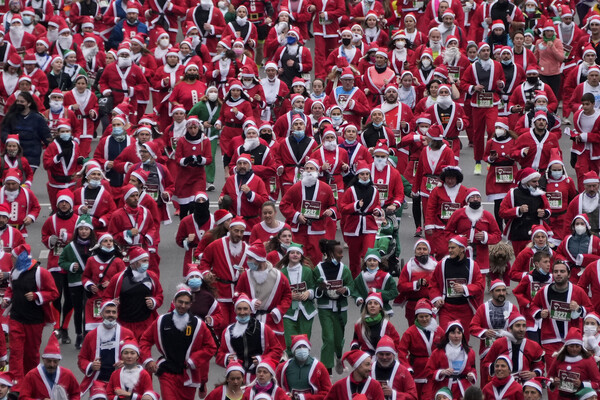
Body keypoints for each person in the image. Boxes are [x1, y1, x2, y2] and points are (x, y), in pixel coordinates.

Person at [140, 285, 217, 400]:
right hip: (167, 371)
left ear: (191, 305)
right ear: (174, 302)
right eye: (180, 302)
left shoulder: (198, 324)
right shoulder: (162, 321)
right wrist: (148, 360)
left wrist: (193, 360)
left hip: (189, 373)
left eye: (186, 303)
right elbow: (145, 340)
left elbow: (211, 347)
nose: (183, 306)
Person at [2, 243, 58, 387]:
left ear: (20, 258)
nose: (11, 261)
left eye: (13, 258)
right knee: (15, 352)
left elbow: (53, 293)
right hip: (16, 318)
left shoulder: (41, 273)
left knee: (31, 354)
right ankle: (16, 385)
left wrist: (36, 295)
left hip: (34, 320)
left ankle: (31, 382)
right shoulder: (14, 272)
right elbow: (10, 288)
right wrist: (7, 299)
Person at [531, 260, 592, 369]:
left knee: (571, 371)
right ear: (552, 274)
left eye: (562, 271)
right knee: (553, 371)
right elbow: (533, 305)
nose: (558, 274)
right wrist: (540, 313)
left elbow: (590, 309)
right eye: (556, 271)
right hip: (550, 338)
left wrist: (579, 309)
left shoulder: (577, 291)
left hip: (572, 338)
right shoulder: (544, 291)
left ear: (568, 274)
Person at [279, 158, 337, 265]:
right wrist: (296, 216)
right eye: (307, 168)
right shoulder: (296, 187)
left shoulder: (326, 188)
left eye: (312, 168)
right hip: (300, 229)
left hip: (317, 229)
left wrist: (331, 211)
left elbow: (333, 205)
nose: (309, 171)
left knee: (316, 259)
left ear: (317, 171)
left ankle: (314, 280)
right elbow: (283, 204)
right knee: (299, 257)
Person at [215, 293, 283, 383]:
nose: (242, 312)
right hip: (237, 379)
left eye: (245, 309)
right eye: (239, 309)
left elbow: (277, 350)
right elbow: (219, 355)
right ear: (235, 310)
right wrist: (226, 358)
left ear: (251, 310)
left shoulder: (263, 328)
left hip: (259, 377)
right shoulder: (227, 332)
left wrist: (263, 359)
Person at [235, 240, 292, 348]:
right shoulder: (245, 276)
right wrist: (248, 302)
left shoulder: (278, 277)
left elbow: (287, 295)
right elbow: (237, 295)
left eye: (250, 258)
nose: (248, 261)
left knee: (274, 352)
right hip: (250, 319)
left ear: (259, 259)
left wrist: (278, 311)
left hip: (271, 320)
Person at [460, 42, 506, 175]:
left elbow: (502, 81)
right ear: (479, 53)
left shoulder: (497, 65)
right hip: (478, 102)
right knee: (478, 133)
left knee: (493, 129)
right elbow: (463, 83)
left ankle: (490, 158)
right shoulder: (472, 67)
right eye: (483, 51)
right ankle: (478, 162)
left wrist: (501, 84)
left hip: (492, 101)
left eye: (487, 50)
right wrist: (473, 88)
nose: (486, 52)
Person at [41, 189, 78, 344]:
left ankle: (65, 328)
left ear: (71, 204)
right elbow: (44, 235)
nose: (64, 205)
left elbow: (85, 237)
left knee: (70, 297)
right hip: (55, 263)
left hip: (72, 264)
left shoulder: (77, 220)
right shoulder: (52, 220)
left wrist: (70, 238)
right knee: (56, 295)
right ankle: (56, 328)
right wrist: (50, 240)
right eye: (61, 202)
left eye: (66, 202)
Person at [429, 236, 485, 338]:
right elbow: (433, 284)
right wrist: (437, 298)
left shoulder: (472, 265)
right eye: (449, 247)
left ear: (462, 249)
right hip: (447, 309)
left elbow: (480, 285)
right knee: (447, 338)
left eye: (453, 248)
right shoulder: (442, 264)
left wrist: (465, 288)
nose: (449, 250)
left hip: (465, 309)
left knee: (463, 339)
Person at [104, 246, 163, 340]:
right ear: (134, 262)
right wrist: (111, 303)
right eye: (143, 261)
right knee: (128, 353)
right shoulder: (119, 278)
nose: (146, 264)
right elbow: (106, 298)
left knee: (143, 352)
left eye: (147, 260)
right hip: (125, 324)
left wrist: (154, 302)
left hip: (145, 323)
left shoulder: (152, 277)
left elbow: (159, 295)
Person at [314, 239, 354, 375]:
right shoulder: (318, 269)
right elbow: (314, 288)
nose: (342, 255)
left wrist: (346, 290)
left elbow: (351, 285)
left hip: (340, 308)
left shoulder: (344, 269)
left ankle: (338, 357)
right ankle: (327, 371)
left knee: (338, 339)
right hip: (325, 308)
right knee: (328, 338)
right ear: (330, 253)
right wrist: (320, 289)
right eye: (339, 253)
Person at [78, 300, 134, 395]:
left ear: (117, 314)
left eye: (114, 312)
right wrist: (91, 365)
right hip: (98, 380)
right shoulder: (91, 335)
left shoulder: (127, 333)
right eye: (107, 312)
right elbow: (82, 359)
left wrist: (126, 362)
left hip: (121, 381)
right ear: (101, 314)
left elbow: (137, 356)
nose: (111, 315)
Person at [199, 217, 248, 327]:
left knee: (237, 323)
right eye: (236, 231)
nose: (239, 234)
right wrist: (206, 273)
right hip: (220, 291)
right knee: (222, 322)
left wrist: (245, 273)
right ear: (230, 230)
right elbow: (204, 261)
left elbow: (253, 269)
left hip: (239, 293)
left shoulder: (247, 249)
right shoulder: (216, 245)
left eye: (242, 231)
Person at [58, 214, 95, 349]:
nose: (83, 231)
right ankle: (79, 334)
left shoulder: (95, 246)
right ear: (77, 231)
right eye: (81, 229)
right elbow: (61, 261)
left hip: (90, 283)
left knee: (88, 309)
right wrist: (71, 266)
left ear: (91, 230)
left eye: (86, 229)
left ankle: (87, 335)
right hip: (75, 282)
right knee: (78, 309)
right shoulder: (70, 247)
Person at [445, 188, 502, 273]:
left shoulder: (487, 215)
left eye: (478, 197)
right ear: (467, 200)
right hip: (461, 253)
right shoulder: (458, 214)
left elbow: (497, 235)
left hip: (481, 256)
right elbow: (447, 232)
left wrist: (485, 237)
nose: (475, 199)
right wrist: (459, 239)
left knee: (479, 282)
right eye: (472, 197)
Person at [469, 280, 516, 383]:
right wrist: (484, 332)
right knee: (487, 383)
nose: (501, 293)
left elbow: (519, 327)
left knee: (506, 382)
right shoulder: (483, 308)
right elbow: (473, 327)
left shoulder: (512, 308)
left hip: (507, 351)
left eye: (503, 290)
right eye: (498, 290)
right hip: (487, 352)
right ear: (491, 292)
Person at [397, 298, 444, 398]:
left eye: (426, 316)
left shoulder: (439, 330)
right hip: (416, 369)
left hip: (433, 368)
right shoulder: (410, 332)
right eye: (421, 317)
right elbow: (401, 351)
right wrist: (407, 367)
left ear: (431, 316)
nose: (424, 319)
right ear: (416, 317)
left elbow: (446, 348)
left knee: (429, 395)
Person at [500, 168, 552, 255]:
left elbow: (548, 209)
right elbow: (502, 212)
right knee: (520, 259)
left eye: (537, 181)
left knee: (537, 259)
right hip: (518, 232)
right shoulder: (513, 193)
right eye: (534, 182)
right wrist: (518, 210)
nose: (537, 184)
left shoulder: (540, 194)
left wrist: (544, 213)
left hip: (536, 233)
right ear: (526, 182)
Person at [482, 312, 545, 384]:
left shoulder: (533, 346)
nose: (521, 329)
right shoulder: (499, 344)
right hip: (502, 384)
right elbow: (486, 364)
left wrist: (534, 373)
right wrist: (499, 368)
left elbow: (540, 366)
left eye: (524, 326)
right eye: (518, 326)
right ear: (509, 329)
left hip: (525, 387)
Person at [81, 234, 126, 332]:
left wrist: (111, 283)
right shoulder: (91, 260)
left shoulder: (118, 261)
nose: (109, 243)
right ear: (100, 244)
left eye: (111, 241)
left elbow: (124, 278)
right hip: (95, 300)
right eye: (105, 241)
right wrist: (89, 285)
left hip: (112, 299)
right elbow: (85, 277)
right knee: (93, 330)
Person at [219, 153, 269, 240]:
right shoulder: (231, 179)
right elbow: (224, 192)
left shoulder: (258, 180)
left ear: (250, 165)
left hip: (251, 224)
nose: (242, 166)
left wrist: (250, 194)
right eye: (239, 163)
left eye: (245, 163)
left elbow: (265, 202)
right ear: (236, 166)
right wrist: (222, 197)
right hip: (234, 223)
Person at [425, 321, 478, 400]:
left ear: (462, 335)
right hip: (443, 387)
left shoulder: (470, 352)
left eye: (459, 333)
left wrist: (471, 375)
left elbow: (473, 369)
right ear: (447, 334)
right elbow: (428, 371)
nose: (456, 336)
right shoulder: (438, 352)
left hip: (462, 388)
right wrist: (441, 372)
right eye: (453, 333)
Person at [424, 165, 468, 260]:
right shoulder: (437, 191)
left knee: (459, 251)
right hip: (441, 227)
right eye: (448, 178)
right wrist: (429, 224)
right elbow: (430, 208)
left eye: (452, 179)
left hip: (458, 228)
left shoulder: (464, 191)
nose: (450, 181)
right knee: (443, 251)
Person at [0, 91, 51, 171]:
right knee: (13, 181)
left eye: (22, 101)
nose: (19, 103)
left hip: (31, 158)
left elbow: (46, 136)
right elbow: (4, 132)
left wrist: (53, 149)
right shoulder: (11, 117)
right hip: (13, 156)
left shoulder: (38, 118)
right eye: (18, 101)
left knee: (24, 181)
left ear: (29, 104)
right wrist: (10, 139)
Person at [19, 335, 80, 400]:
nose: (52, 365)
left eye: (55, 361)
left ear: (59, 360)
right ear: (43, 359)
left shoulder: (67, 374)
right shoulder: (32, 376)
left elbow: (76, 393)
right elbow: (23, 397)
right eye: (49, 361)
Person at [547, 327, 600, 398]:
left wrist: (582, 384)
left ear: (581, 346)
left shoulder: (588, 360)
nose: (574, 349)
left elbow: (597, 383)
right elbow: (548, 378)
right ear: (566, 346)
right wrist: (553, 383)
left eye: (577, 346)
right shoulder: (559, 358)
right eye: (571, 346)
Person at [187, 86, 222, 192]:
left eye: (215, 91)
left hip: (213, 135)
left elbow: (223, 117)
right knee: (197, 157)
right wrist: (202, 123)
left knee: (210, 157)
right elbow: (190, 116)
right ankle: (195, 180)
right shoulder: (200, 105)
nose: (213, 93)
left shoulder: (220, 106)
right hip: (200, 135)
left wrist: (218, 123)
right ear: (207, 93)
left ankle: (209, 181)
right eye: (211, 91)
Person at [513, 251, 553, 340]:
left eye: (549, 262)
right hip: (531, 318)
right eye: (545, 262)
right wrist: (528, 304)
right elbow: (517, 292)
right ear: (537, 264)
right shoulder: (528, 278)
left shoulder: (552, 278)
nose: (548, 264)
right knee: (533, 345)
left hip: (547, 319)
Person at [353, 249, 398, 316]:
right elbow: (354, 289)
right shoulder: (361, 277)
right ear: (365, 262)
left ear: (379, 262)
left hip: (383, 310)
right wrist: (358, 298)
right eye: (369, 260)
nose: (372, 263)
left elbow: (394, 293)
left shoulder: (385, 277)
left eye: (374, 260)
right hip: (366, 310)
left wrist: (376, 291)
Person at [371, 335, 418, 400]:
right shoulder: (369, 370)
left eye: (388, 354)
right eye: (381, 354)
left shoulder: (403, 372)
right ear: (376, 354)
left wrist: (393, 394)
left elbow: (413, 397)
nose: (384, 357)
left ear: (393, 355)